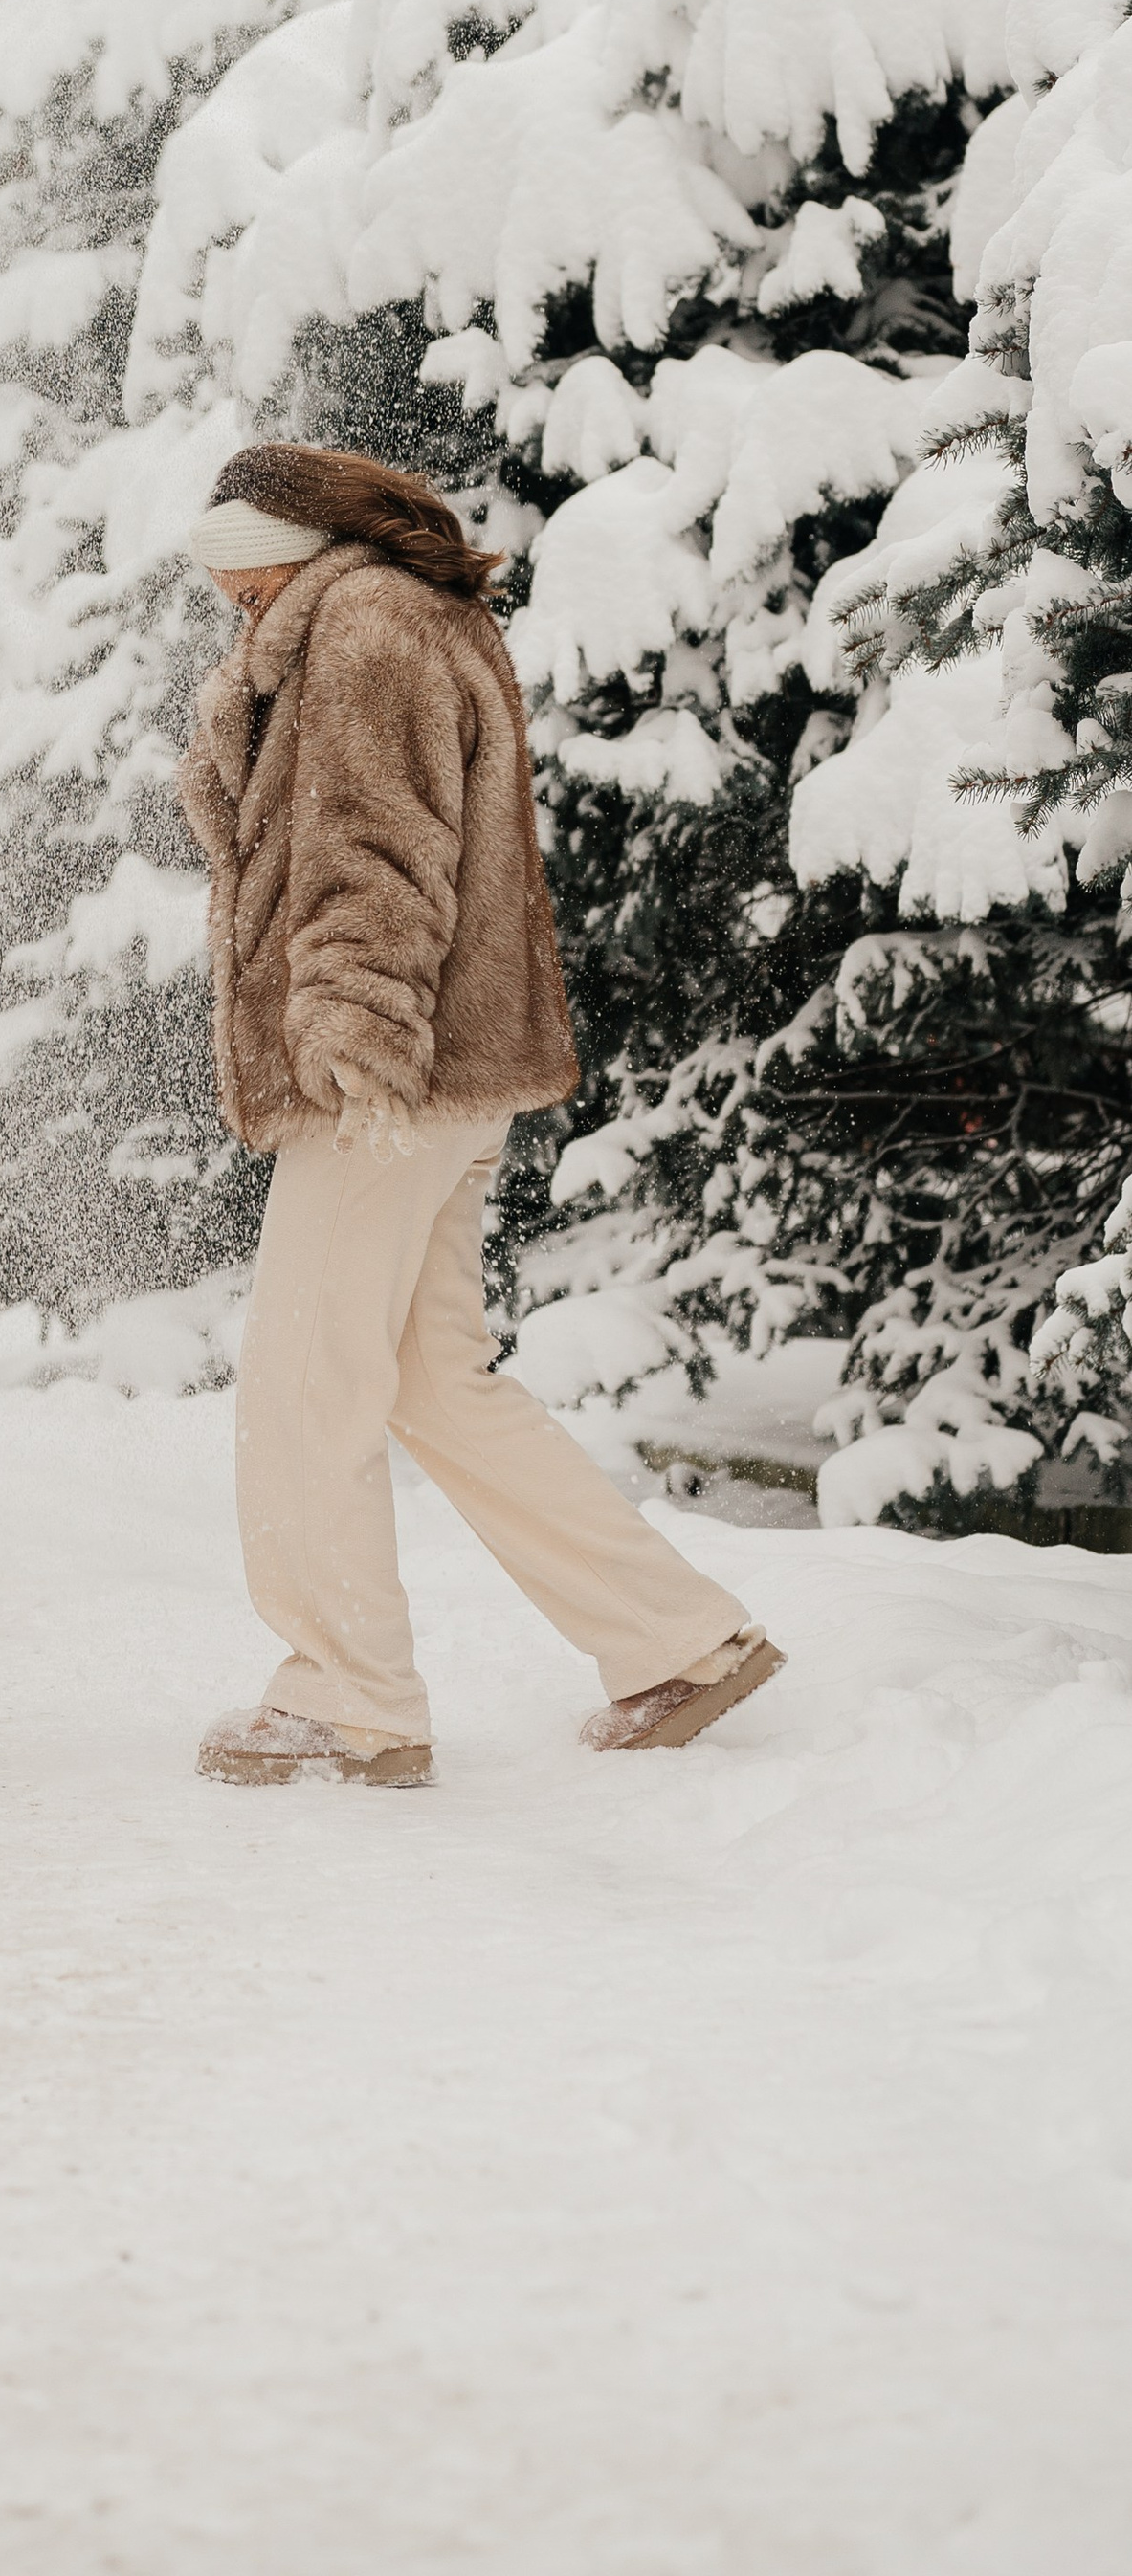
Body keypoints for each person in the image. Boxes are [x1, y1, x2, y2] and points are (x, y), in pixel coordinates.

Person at [173, 443, 785, 1789]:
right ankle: (679, 1641)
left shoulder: (366, 625)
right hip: (444, 1070)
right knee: (434, 1378)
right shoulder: (382, 617)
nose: (233, 604)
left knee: (306, 1384)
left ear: (284, 545)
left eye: (238, 575)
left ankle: (346, 1697)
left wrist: (354, 1037)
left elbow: (378, 848)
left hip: (384, 1071)